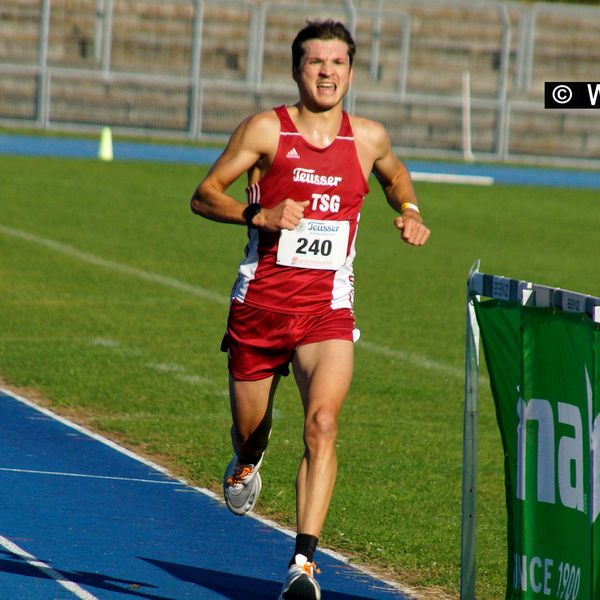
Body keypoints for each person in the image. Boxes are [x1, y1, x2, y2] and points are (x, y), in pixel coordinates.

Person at [190, 19, 430, 600]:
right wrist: (259, 216)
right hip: (261, 305)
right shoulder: (266, 130)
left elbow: (395, 174)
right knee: (251, 433)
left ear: (351, 70)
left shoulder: (367, 137)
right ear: (298, 69)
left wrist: (411, 209)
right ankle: (248, 459)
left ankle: (302, 564)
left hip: (326, 310)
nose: (327, 72)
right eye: (316, 62)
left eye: (338, 62)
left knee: (322, 424)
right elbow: (204, 194)